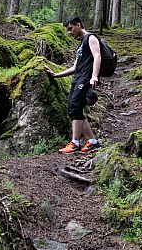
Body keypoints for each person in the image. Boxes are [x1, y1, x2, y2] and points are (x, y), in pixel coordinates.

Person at [44, 16, 102, 154]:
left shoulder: (91, 38)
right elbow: (75, 67)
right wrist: (56, 75)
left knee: (75, 107)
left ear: (79, 25)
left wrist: (94, 76)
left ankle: (75, 143)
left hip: (85, 79)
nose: (70, 32)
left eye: (71, 28)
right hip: (77, 78)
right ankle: (92, 141)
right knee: (74, 108)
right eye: (68, 30)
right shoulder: (81, 44)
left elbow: (97, 56)